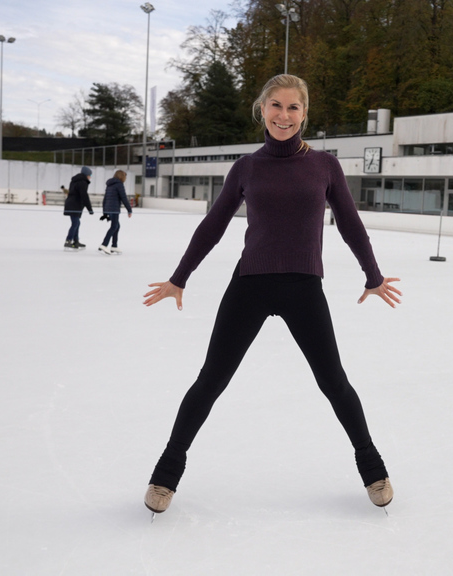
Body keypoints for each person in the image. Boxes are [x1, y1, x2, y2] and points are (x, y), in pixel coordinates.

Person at [142, 74, 402, 515]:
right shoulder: (246, 167)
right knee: (211, 381)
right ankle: (165, 476)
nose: (284, 116)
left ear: (305, 114)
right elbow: (214, 224)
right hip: (251, 284)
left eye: (293, 108)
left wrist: (372, 275)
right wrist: (179, 277)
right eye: (276, 106)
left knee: (333, 382)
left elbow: (351, 224)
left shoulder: (325, 165)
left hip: (304, 287)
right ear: (262, 109)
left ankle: (374, 470)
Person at [98, 170, 132, 255]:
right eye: (125, 176)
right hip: (114, 209)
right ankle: (104, 244)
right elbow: (123, 198)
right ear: (122, 176)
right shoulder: (119, 185)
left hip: (109, 208)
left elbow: (105, 199)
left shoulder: (110, 185)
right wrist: (129, 209)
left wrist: (105, 212)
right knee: (114, 226)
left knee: (117, 226)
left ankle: (114, 245)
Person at [63, 167, 93, 249]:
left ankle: (76, 241)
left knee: (77, 223)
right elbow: (84, 196)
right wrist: (89, 209)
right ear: (86, 175)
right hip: (74, 205)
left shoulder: (76, 180)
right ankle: (68, 240)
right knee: (75, 223)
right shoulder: (82, 182)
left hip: (73, 204)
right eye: (90, 175)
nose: (90, 177)